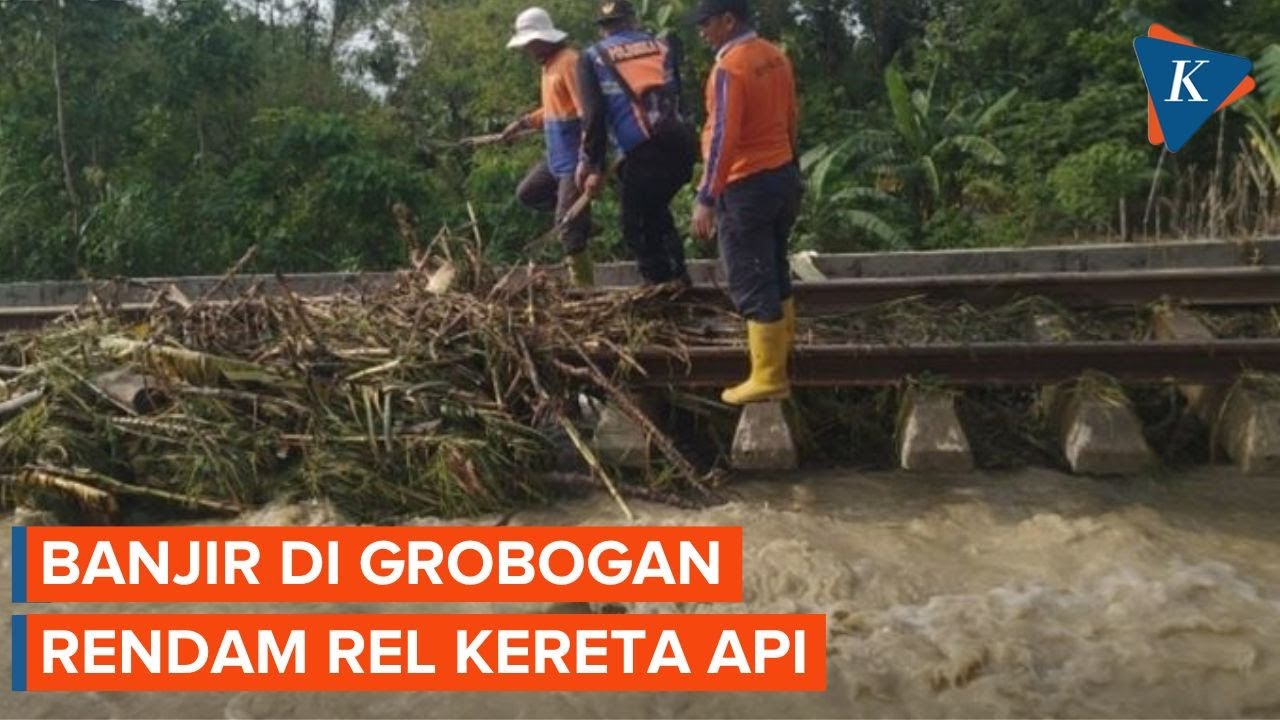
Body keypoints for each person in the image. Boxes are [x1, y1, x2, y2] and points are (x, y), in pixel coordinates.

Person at [689, 0, 801, 406]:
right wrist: (791, 167)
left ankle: (768, 377)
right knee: (774, 267)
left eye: (706, 23)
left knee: (751, 277)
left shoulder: (729, 68)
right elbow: (791, 115)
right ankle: (781, 358)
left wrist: (706, 196)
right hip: (781, 175)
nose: (702, 31)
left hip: (746, 185)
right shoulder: (775, 57)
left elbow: (723, 138)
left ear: (728, 20)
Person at [576, 0, 698, 286]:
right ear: (632, 21)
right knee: (654, 211)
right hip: (680, 145)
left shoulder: (593, 57)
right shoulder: (663, 46)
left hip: (644, 149)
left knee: (637, 226)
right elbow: (679, 95)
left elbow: (593, 115)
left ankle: (661, 291)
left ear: (604, 29)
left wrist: (593, 165)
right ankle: (678, 278)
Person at [501, 7, 595, 286]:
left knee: (567, 228)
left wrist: (587, 158)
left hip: (574, 159)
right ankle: (580, 219)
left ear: (543, 39)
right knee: (528, 193)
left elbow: (586, 111)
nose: (528, 50)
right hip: (555, 156)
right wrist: (522, 123)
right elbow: (553, 109)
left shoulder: (569, 62)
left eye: (530, 43)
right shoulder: (548, 67)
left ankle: (584, 288)